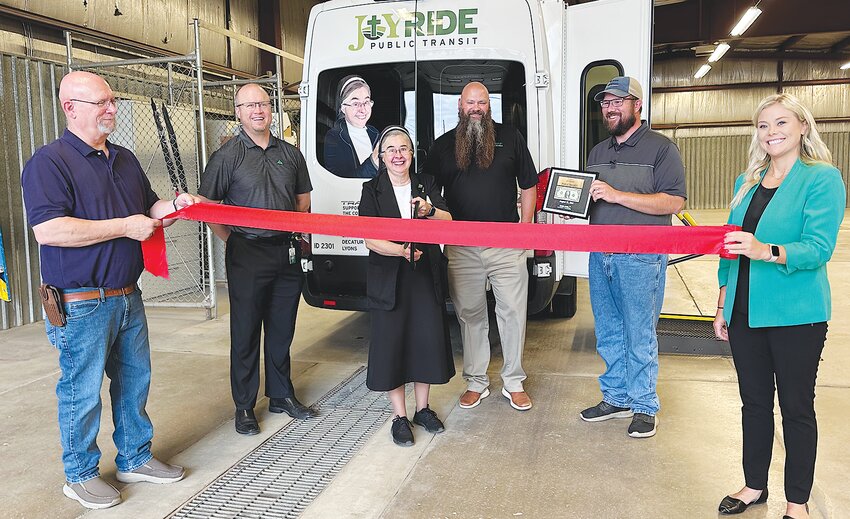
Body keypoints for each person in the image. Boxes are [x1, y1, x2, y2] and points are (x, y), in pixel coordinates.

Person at [21, 71, 193, 509]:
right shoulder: (49, 162)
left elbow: (147, 208)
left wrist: (172, 208)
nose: (111, 109)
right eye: (100, 103)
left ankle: (134, 456)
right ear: (70, 107)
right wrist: (125, 226)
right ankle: (79, 474)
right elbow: (49, 229)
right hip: (81, 302)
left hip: (126, 295)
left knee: (134, 381)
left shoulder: (124, 158)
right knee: (81, 392)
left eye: (112, 101)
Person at [713, 94, 844, 519]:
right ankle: (754, 485)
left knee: (796, 406)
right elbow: (729, 250)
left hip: (796, 315)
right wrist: (722, 303)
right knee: (753, 402)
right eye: (764, 125)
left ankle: (797, 501)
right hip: (744, 309)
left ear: (802, 126)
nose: (772, 132)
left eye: (781, 123)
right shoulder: (745, 182)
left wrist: (764, 249)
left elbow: (817, 249)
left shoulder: (821, 178)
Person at [199, 83, 317, 436]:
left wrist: (289, 233)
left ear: (272, 109)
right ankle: (245, 406)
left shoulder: (291, 153)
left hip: (286, 252)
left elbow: (303, 201)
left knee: (282, 330)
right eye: (248, 105)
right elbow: (208, 209)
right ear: (237, 112)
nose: (257, 111)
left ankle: (281, 395)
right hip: (247, 253)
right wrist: (234, 240)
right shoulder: (227, 156)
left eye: (263, 104)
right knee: (246, 331)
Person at [579, 76, 686, 438]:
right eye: (605, 103)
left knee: (639, 333)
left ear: (637, 105)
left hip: (642, 256)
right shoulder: (597, 151)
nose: (610, 108)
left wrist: (616, 195)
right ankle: (617, 396)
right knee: (608, 331)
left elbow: (674, 201)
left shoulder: (661, 149)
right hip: (600, 254)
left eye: (617, 101)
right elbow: (592, 199)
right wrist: (569, 206)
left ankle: (643, 405)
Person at [424, 82, 537, 412]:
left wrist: (525, 230)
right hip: (461, 248)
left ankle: (513, 381)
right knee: (470, 315)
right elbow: (427, 189)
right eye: (471, 102)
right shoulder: (443, 146)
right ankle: (476, 382)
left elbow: (528, 184)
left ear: (490, 106)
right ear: (460, 105)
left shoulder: (511, 137)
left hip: (506, 245)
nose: (476, 108)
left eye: (482, 102)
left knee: (513, 313)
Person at [358, 126, 455, 446]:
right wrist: (400, 250)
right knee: (392, 345)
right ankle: (399, 415)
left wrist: (431, 211)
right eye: (391, 149)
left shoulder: (425, 184)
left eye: (404, 148)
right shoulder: (371, 190)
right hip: (390, 276)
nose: (398, 154)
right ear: (380, 157)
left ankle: (422, 409)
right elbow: (370, 238)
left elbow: (449, 222)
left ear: (412, 154)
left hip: (425, 275)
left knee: (425, 341)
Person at [323, 75, 379, 178]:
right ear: (343, 108)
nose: (362, 109)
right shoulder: (333, 138)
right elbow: (339, 180)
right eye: (355, 104)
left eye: (366, 102)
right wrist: (373, 162)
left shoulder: (374, 133)